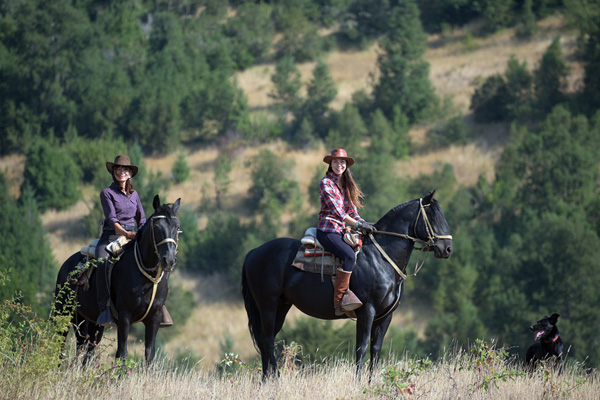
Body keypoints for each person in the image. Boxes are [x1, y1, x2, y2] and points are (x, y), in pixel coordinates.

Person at [95, 155, 172, 328]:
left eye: (125, 170)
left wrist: (143, 234)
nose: (121, 172)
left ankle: (161, 305)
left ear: (130, 174)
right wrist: (126, 234)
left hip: (134, 235)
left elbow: (142, 219)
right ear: (114, 172)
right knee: (102, 262)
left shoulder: (134, 194)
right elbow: (111, 220)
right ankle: (105, 308)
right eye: (118, 169)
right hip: (112, 236)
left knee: (160, 259)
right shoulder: (107, 193)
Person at [316, 148, 376, 316]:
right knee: (349, 256)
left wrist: (363, 222)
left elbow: (352, 211)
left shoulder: (346, 184)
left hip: (343, 229)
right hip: (328, 229)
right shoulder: (326, 183)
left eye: (342, 162)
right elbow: (339, 213)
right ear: (330, 164)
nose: (339, 165)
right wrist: (358, 224)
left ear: (346, 165)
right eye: (335, 162)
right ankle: (340, 300)